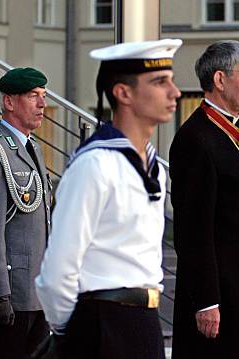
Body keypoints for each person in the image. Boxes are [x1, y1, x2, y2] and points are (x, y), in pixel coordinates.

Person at [35, 39, 182, 359]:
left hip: (144, 321)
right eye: (160, 82)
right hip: (101, 324)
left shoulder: (153, 166)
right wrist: (69, 331)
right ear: (123, 93)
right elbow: (58, 269)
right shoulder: (95, 164)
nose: (175, 93)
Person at [170, 40, 239, 358]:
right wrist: (207, 299)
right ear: (219, 80)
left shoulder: (236, 133)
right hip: (223, 299)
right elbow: (193, 231)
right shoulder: (197, 139)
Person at [0, 67, 52, 359]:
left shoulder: (33, 149)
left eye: (43, 96)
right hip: (11, 293)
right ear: (9, 102)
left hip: (37, 293)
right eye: (33, 96)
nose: (42, 104)